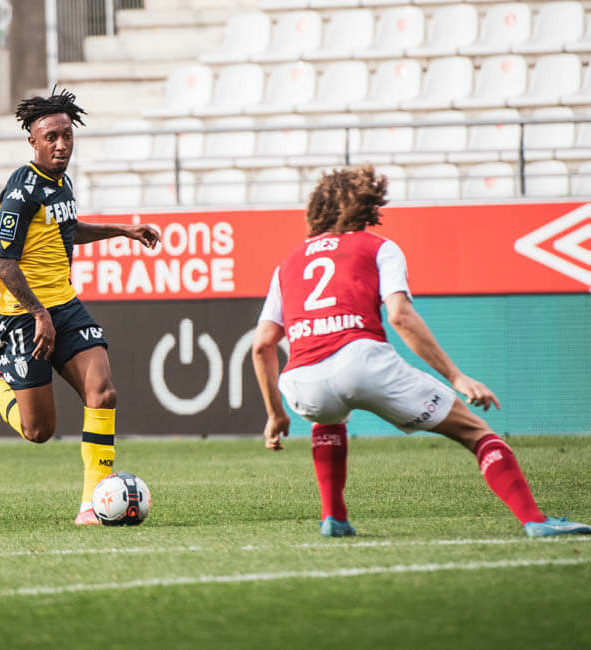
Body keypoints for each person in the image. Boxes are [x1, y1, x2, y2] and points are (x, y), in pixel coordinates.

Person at [251, 164, 590, 538]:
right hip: (360, 358)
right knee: (475, 432)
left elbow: (263, 344)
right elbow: (399, 316)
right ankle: (535, 520)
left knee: (327, 416)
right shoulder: (379, 247)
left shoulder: (287, 265)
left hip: (302, 380)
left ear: (316, 209)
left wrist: (275, 415)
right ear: (368, 206)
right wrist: (457, 377)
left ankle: (333, 518)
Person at [0, 88, 161, 525]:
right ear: (32, 141)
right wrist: (39, 315)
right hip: (21, 315)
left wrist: (123, 230)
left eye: (67, 135)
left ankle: (92, 504)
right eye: (51, 137)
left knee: (103, 392)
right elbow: (3, 263)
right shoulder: (21, 191)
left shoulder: (63, 183)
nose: (61, 145)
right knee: (38, 431)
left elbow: (67, 230)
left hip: (65, 304)